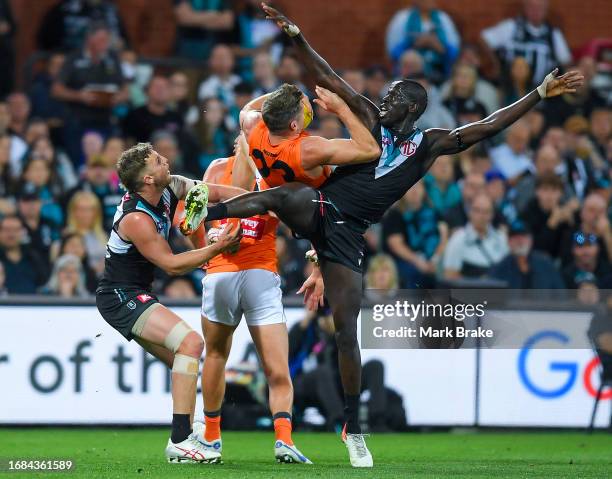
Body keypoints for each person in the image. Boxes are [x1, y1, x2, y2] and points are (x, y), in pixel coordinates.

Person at [200, 3, 583, 468]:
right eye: (387, 93)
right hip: (321, 207)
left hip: (347, 235)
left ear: (414, 107)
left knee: (346, 332)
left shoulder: (430, 143)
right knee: (286, 197)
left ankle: (352, 428)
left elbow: (487, 126)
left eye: (396, 96)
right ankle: (209, 207)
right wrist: (297, 36)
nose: (385, 99)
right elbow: (329, 74)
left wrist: (539, 93)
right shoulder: (368, 119)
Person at [95, 142, 243, 463]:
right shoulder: (135, 218)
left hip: (136, 291)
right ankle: (180, 441)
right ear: (147, 179)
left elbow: (214, 193)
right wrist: (218, 248)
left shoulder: (170, 185)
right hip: (120, 296)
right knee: (191, 343)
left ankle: (188, 434)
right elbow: (172, 265)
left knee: (183, 357)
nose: (167, 162)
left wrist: (260, 199)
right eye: (159, 162)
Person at [193, 133, 311, 464]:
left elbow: (188, 220)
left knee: (215, 355)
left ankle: (212, 438)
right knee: (277, 368)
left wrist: (205, 254)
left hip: (219, 275)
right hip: (260, 273)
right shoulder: (273, 174)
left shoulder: (215, 169)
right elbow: (298, 224)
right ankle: (284, 440)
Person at [481, 0, 572, 87]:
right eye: (532, 7)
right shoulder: (511, 27)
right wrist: (495, 64)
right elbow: (484, 39)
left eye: (540, 7)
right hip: (510, 90)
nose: (536, 11)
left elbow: (566, 62)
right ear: (525, 8)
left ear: (545, 9)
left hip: (542, 92)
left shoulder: (553, 35)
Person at [385, 0, 460, 83]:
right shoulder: (402, 18)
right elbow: (392, 51)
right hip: (409, 74)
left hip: (439, 72)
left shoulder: (443, 18)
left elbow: (455, 51)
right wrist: (415, 45)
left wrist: (439, 47)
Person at [443, 194, 509, 280]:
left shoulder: (501, 238)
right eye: (477, 210)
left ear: (492, 214)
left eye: (486, 211)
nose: (482, 216)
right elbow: (449, 276)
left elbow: (508, 271)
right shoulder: (458, 239)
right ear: (470, 212)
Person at [488, 220, 565, 288]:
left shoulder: (546, 264)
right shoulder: (499, 269)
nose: (520, 241)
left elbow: (561, 294)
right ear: (508, 242)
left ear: (531, 240)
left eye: (523, 236)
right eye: (515, 237)